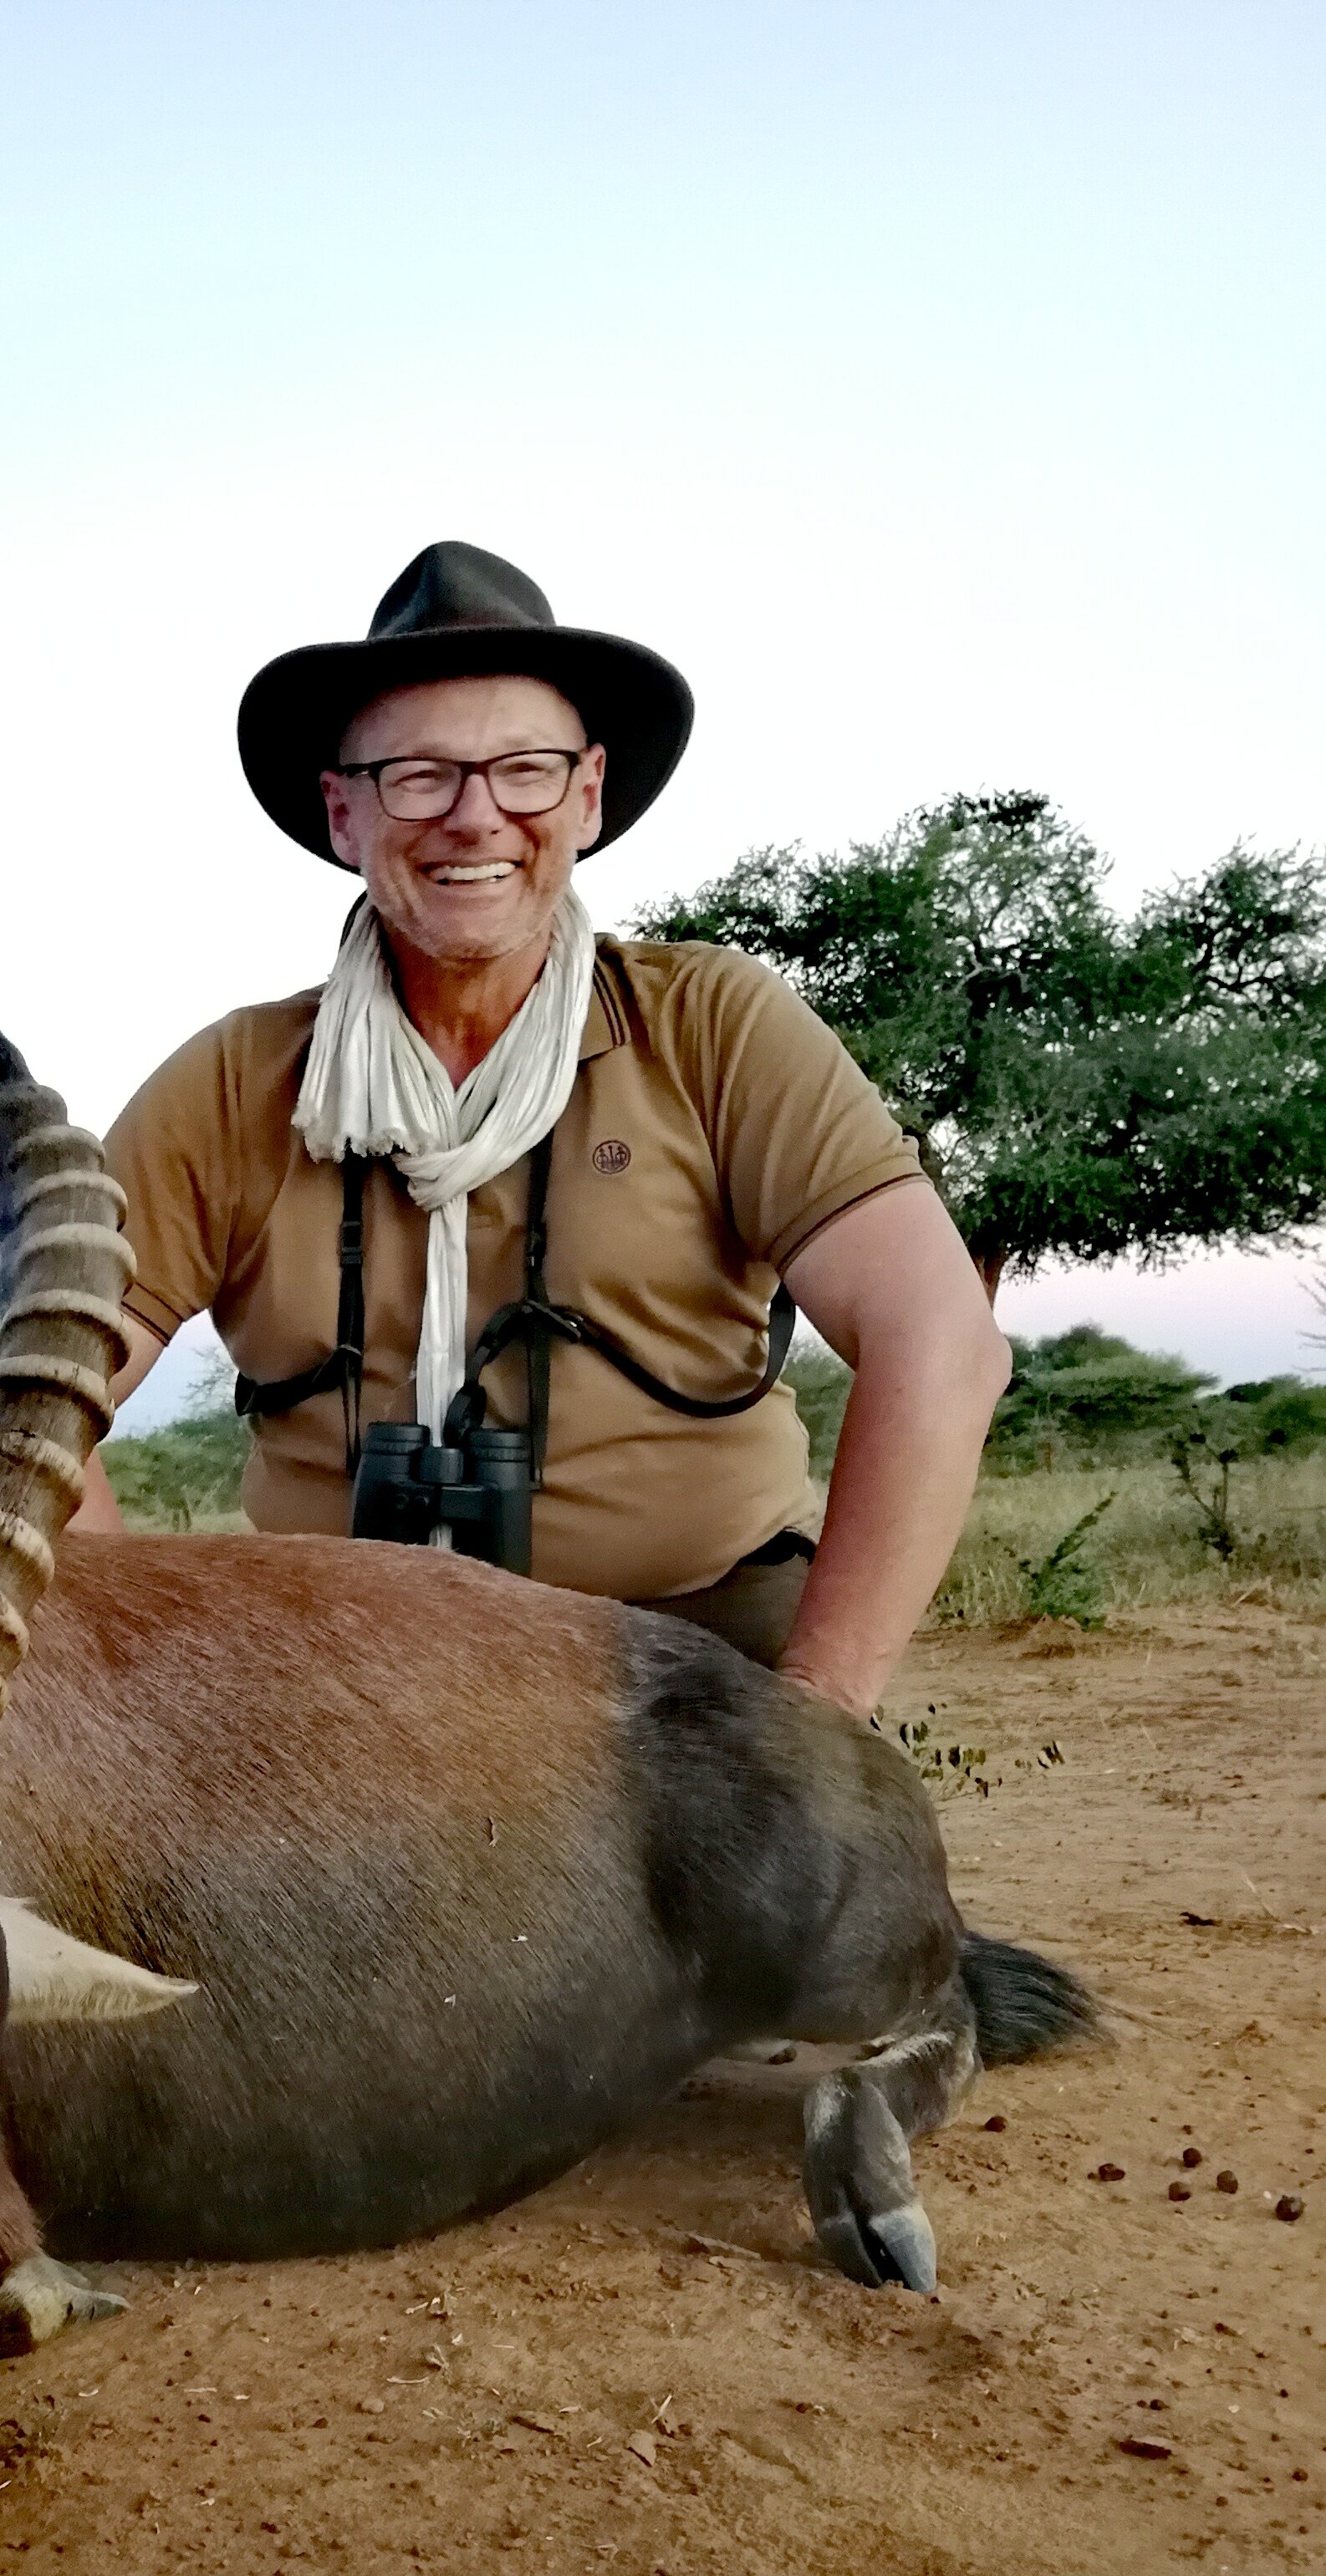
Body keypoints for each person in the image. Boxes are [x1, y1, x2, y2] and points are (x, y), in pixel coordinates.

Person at [74, 541, 1011, 1718]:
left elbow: (944, 1343)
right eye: (418, 776)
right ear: (342, 810)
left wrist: (819, 1718)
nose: (476, 819)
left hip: (694, 1657)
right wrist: (139, 1699)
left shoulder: (715, 1026)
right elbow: (33, 1405)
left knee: (830, 1887)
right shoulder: (230, 1084)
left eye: (524, 769)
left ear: (587, 794)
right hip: (329, 1671)